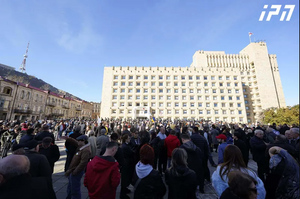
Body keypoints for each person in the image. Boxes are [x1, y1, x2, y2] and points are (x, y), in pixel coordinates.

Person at [65, 135, 91, 199]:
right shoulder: (82, 147)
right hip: (73, 170)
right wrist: (68, 139)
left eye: (79, 140)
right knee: (70, 187)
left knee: (75, 189)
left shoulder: (85, 150)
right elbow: (75, 142)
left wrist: (75, 171)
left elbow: (83, 162)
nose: (78, 142)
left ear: (83, 141)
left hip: (76, 171)